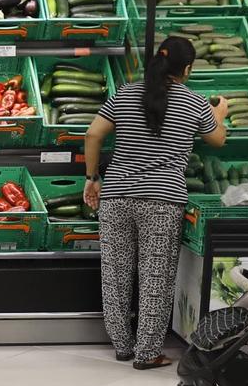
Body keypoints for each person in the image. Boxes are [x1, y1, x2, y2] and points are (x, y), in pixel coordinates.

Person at [84, 34, 227, 369]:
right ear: (187, 69)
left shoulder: (125, 93)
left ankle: (122, 346)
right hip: (162, 201)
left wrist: (92, 178)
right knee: (156, 278)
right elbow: (217, 139)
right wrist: (219, 112)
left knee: (115, 273)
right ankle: (147, 353)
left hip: (117, 195)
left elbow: (93, 134)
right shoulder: (194, 103)